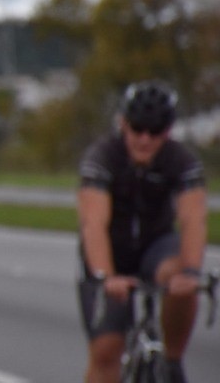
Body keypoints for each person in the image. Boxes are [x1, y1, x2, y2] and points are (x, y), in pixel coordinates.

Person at [77, 81, 207, 383]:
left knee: (179, 277)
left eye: (156, 131)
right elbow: (93, 223)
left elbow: (193, 220)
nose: (145, 139)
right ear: (123, 124)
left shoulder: (181, 161)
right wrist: (106, 275)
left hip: (155, 246)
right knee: (107, 351)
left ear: (168, 131)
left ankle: (172, 361)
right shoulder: (102, 157)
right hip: (110, 251)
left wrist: (189, 271)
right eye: (137, 129)